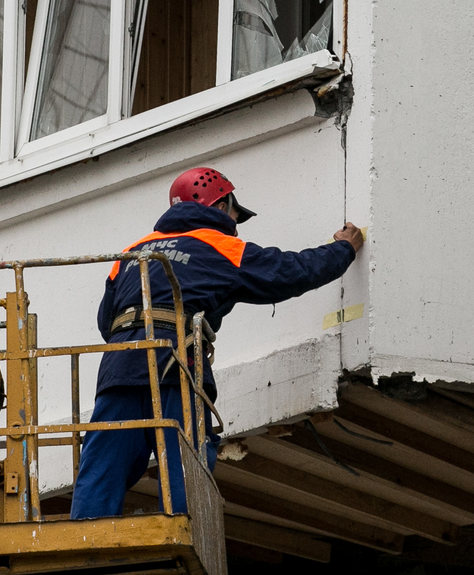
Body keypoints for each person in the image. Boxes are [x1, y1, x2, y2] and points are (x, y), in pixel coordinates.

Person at [68, 166, 364, 520]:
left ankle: (84, 545)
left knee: (104, 464)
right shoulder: (221, 246)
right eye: (236, 214)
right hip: (175, 366)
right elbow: (291, 271)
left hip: (120, 368)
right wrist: (343, 249)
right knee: (184, 465)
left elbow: (106, 321)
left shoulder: (133, 252)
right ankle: (186, 537)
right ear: (221, 205)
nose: (237, 224)